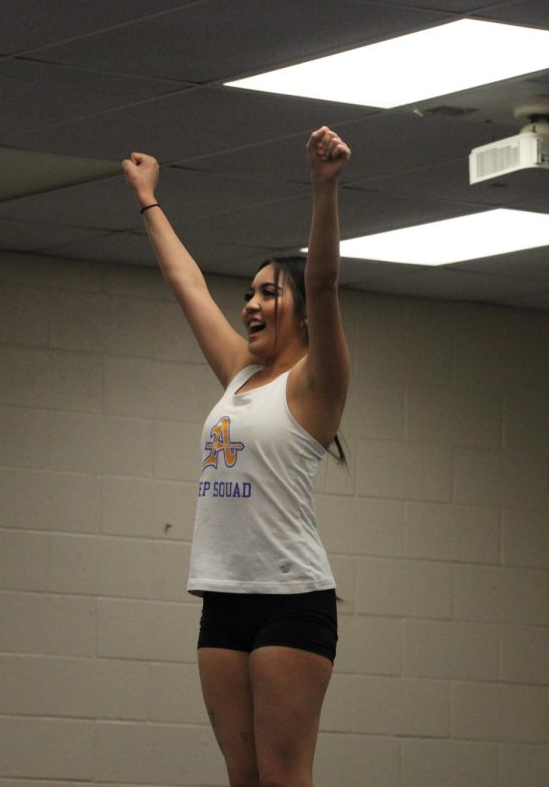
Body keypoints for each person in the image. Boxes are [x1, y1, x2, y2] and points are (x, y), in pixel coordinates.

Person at [122, 126, 351, 787]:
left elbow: (328, 284)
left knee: (282, 776)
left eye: (269, 294)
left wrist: (323, 189)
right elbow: (186, 283)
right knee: (243, 777)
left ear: (302, 314)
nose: (251, 304)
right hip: (222, 597)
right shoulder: (237, 376)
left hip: (292, 598)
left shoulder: (316, 384)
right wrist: (147, 199)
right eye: (248, 294)